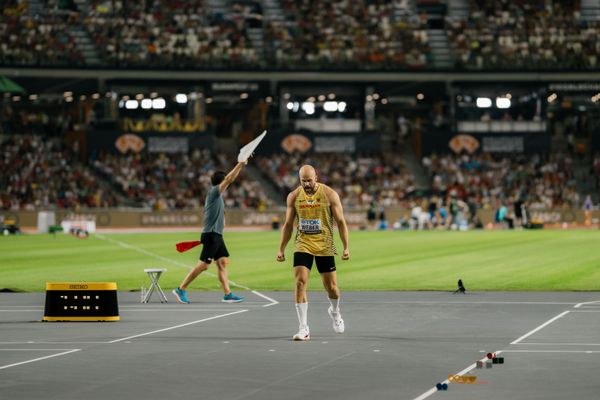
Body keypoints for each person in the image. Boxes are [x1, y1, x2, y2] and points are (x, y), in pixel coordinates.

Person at [277, 165, 350, 341]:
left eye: (309, 180)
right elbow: (288, 225)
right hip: (303, 244)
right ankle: (303, 328)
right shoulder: (294, 196)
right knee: (300, 282)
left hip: (325, 245)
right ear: (299, 180)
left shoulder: (329, 194)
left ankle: (335, 311)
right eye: (303, 181)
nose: (307, 183)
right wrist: (281, 248)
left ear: (316, 177)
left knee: (332, 288)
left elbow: (340, 222)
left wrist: (346, 246)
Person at [172, 160, 248, 304]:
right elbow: (230, 179)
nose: (228, 185)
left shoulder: (218, 198)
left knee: (222, 262)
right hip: (211, 234)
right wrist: (240, 164)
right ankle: (180, 289)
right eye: (225, 182)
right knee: (204, 265)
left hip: (217, 235)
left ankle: (227, 294)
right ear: (221, 182)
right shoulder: (214, 192)